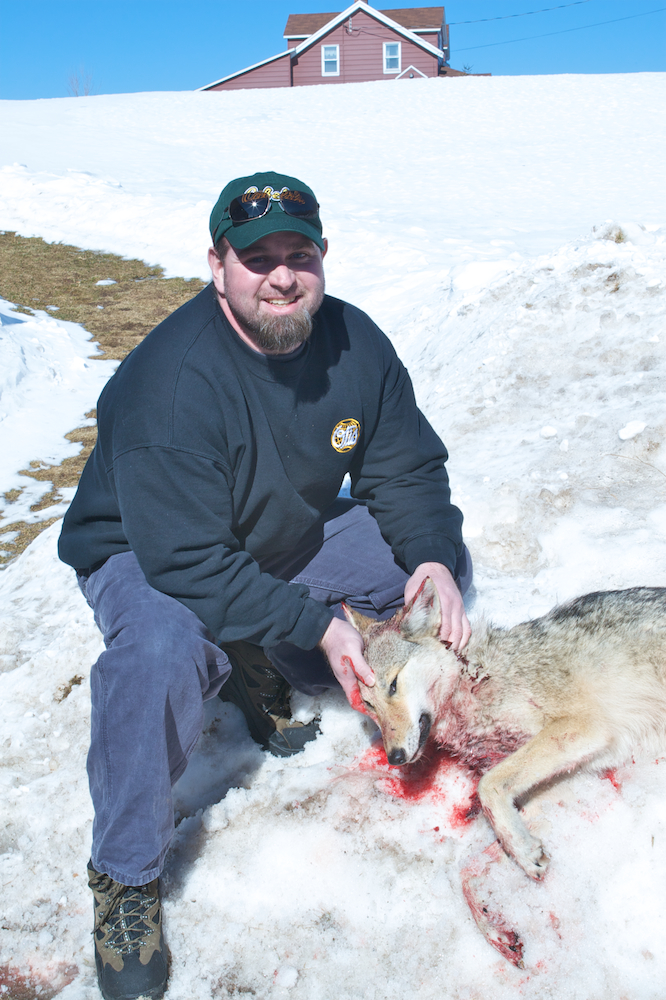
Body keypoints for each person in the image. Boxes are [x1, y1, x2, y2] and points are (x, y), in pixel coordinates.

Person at [58, 171, 472, 1000]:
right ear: (218, 266)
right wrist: (312, 621)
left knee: (427, 578)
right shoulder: (166, 387)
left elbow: (407, 468)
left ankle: (273, 657)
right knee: (163, 659)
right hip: (150, 551)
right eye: (258, 258)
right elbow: (189, 562)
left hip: (275, 528)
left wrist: (429, 552)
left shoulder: (355, 344)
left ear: (322, 259)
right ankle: (125, 877)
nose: (282, 276)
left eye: (299, 254)